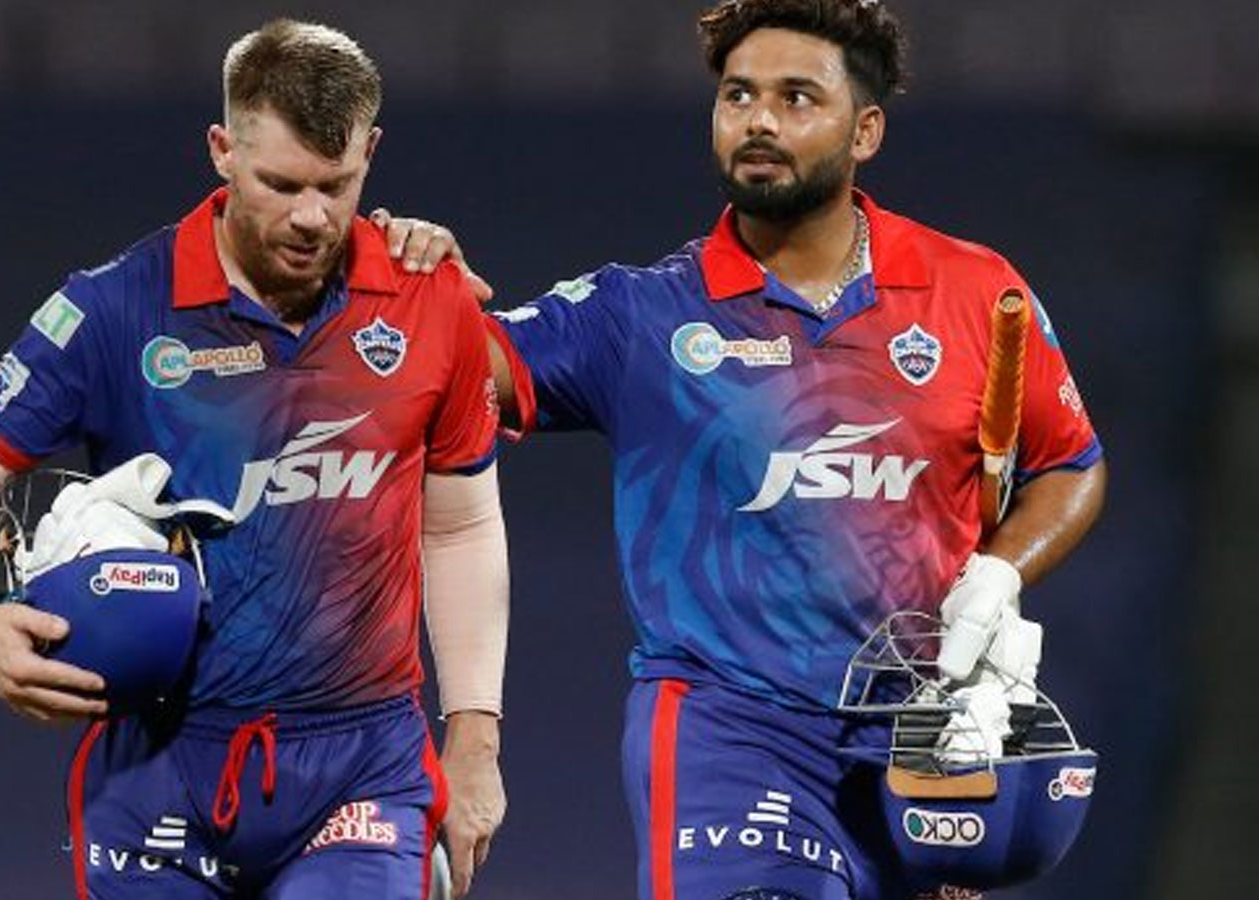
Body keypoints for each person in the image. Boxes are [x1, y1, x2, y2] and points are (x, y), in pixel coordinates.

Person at [385, 1, 1106, 897]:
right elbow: (460, 370)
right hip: (728, 732)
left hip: (924, 737)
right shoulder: (645, 314)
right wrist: (410, 286)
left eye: (796, 97)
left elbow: (1070, 466)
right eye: (738, 96)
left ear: (865, 130)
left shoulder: (974, 291)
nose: (759, 119)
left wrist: (998, 574)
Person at [0, 20, 508, 900]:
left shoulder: (430, 299)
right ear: (223, 151)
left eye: (336, 185)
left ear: (371, 155)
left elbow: (460, 527)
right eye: (281, 184)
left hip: (363, 769)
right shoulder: (116, 308)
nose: (311, 217)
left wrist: (475, 741)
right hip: (158, 767)